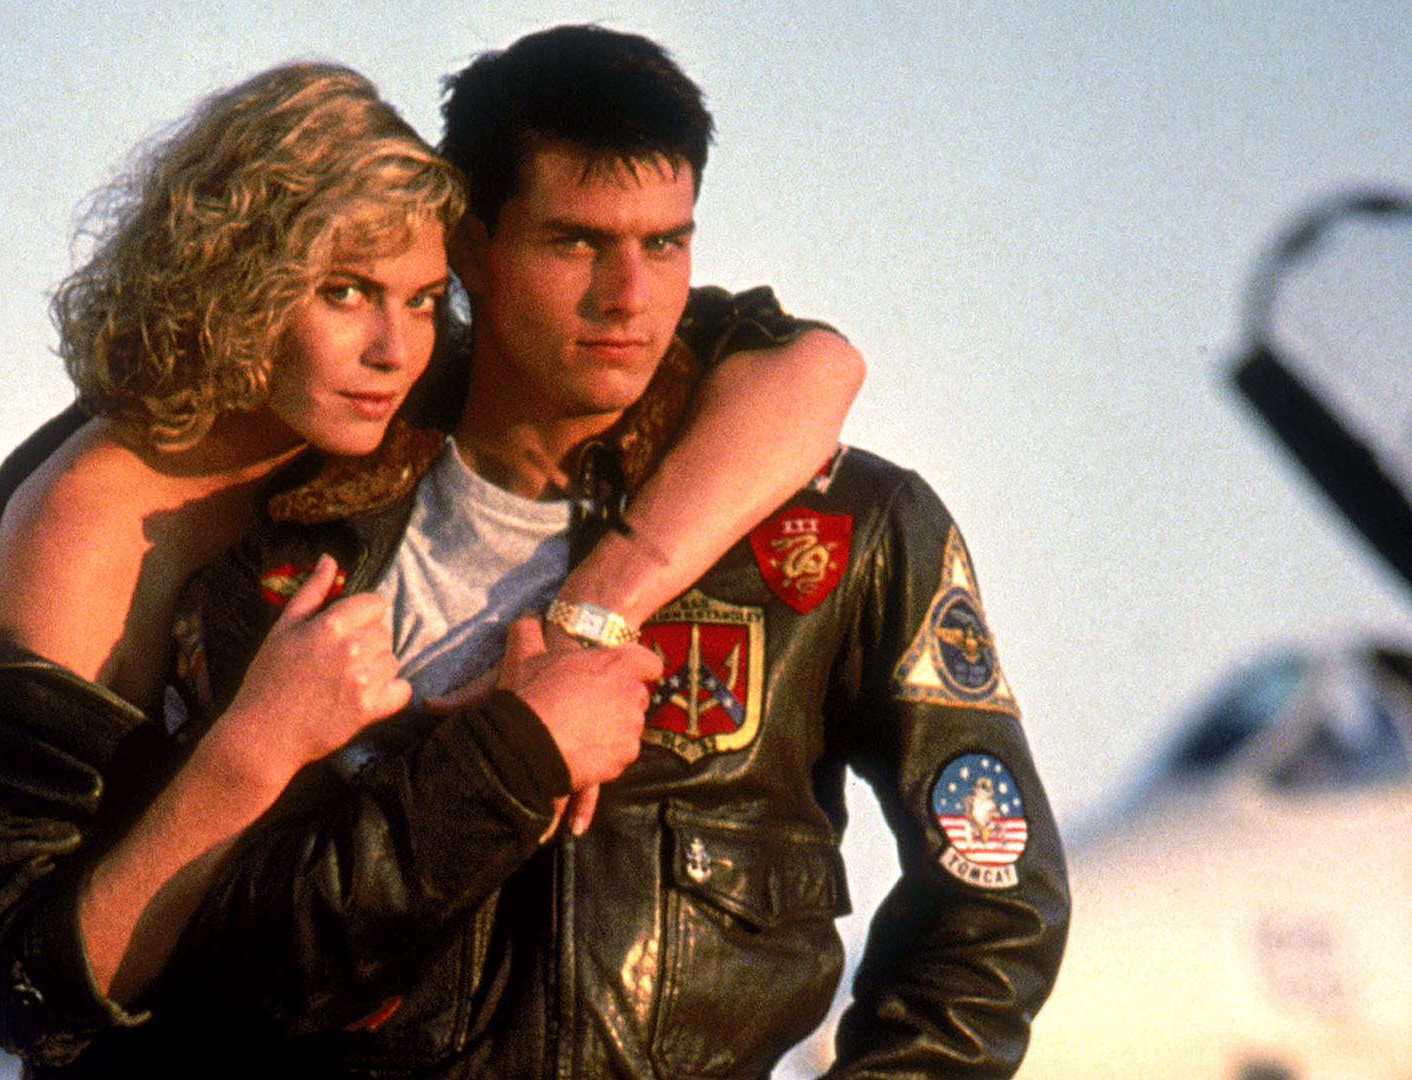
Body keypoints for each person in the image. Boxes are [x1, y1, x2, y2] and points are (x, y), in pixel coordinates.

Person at [0, 55, 863, 1072]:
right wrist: (256, 745)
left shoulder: (378, 403)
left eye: (425, 299)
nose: (396, 349)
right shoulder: (86, 521)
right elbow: (34, 984)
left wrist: (594, 607)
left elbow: (814, 370)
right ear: (233, 284)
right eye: (344, 293)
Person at [154, 25, 1070, 1079]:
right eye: (577, 243)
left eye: (666, 244)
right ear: (472, 249)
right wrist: (501, 764)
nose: (629, 296)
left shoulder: (844, 531)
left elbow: (995, 900)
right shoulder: (300, 556)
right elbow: (242, 970)